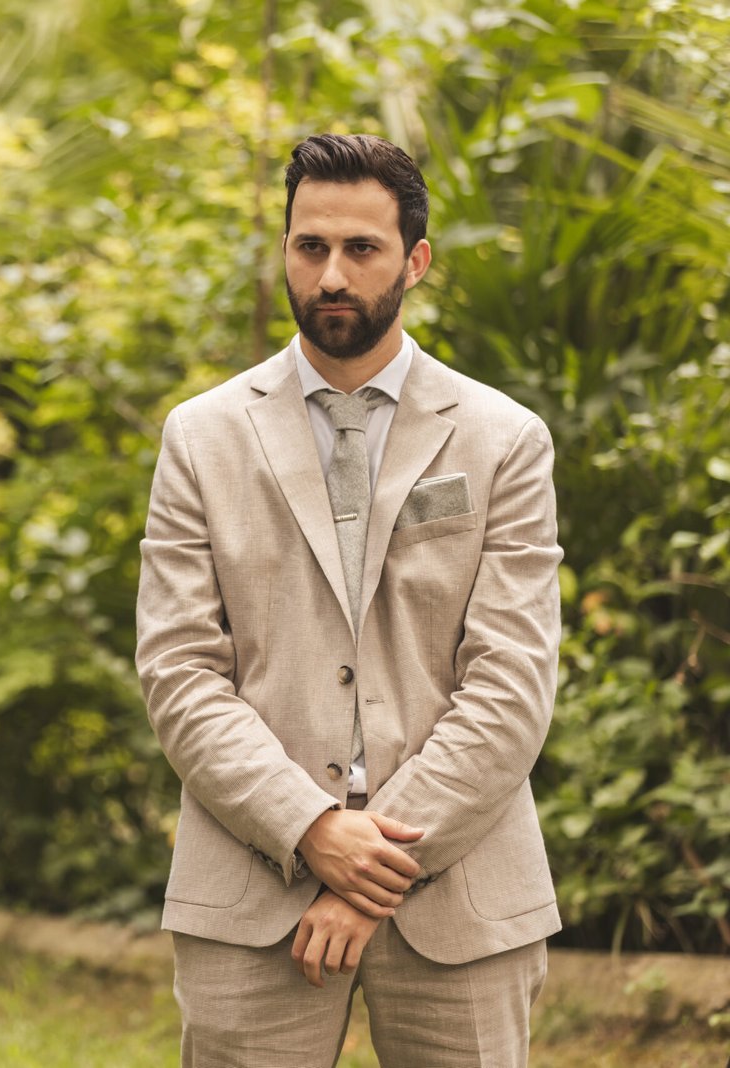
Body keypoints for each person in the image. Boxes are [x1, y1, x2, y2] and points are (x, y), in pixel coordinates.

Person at [136, 133, 562, 1066]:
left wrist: (374, 867)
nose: (331, 275)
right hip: (251, 885)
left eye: (361, 249)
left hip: (463, 895)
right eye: (310, 247)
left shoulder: (504, 439)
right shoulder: (201, 437)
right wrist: (311, 828)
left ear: (415, 260)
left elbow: (512, 683)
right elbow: (179, 672)